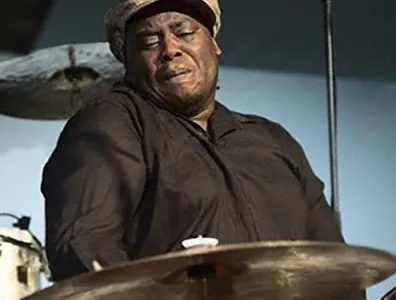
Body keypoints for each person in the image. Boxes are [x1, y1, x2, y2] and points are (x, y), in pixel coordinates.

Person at [41, 0, 365, 299]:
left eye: (184, 32)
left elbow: (333, 265)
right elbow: (83, 246)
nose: (170, 49)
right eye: (149, 42)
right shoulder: (111, 122)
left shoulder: (272, 139)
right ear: (127, 61)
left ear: (214, 43)